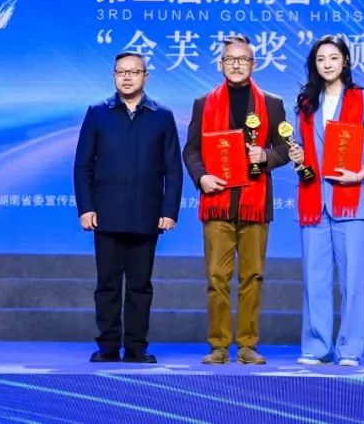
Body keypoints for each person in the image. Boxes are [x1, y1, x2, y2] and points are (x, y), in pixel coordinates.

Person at [183, 35, 290, 365]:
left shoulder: (272, 103)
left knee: (252, 277)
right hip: (217, 202)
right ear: (221, 64)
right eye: (230, 59)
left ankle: (247, 345)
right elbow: (191, 150)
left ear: (254, 64)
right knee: (216, 278)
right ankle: (218, 346)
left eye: (243, 59)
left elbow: (286, 148)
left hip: (255, 204)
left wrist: (266, 156)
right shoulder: (203, 103)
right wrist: (201, 177)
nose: (237, 64)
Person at [73, 51, 183, 364]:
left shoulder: (162, 115)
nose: (127, 77)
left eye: (134, 72)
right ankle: (107, 347)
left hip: (147, 216)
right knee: (107, 285)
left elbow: (173, 169)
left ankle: (136, 348)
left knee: (140, 286)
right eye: (121, 71)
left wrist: (169, 211)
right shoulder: (98, 113)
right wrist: (86, 207)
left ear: (145, 76)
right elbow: (83, 165)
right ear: (114, 76)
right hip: (106, 215)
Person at [287, 35, 364, 367]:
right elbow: (300, 151)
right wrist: (297, 157)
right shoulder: (306, 102)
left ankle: (349, 349)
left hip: (351, 200)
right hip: (314, 200)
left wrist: (360, 174)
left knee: (352, 281)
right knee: (314, 279)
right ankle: (317, 347)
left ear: (345, 61)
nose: (327, 64)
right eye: (320, 59)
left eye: (333, 57)